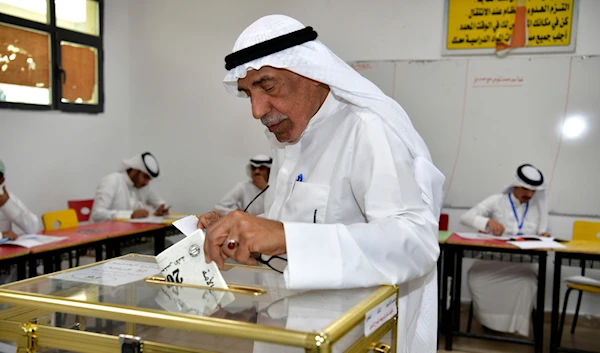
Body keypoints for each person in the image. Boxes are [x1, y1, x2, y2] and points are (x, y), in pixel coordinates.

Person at [197, 15, 445, 352]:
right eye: (247, 94)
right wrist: (240, 235)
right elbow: (291, 241)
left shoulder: (366, 131)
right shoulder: (289, 137)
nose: (257, 110)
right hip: (286, 328)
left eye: (268, 86)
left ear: (313, 73)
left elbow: (416, 242)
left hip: (350, 338)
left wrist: (284, 236)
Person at [460, 163, 549, 336]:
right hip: (491, 259)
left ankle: (514, 328)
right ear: (515, 184)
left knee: (527, 282)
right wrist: (487, 222)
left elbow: (540, 235)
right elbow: (466, 217)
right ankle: (488, 322)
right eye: (525, 189)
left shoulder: (537, 207)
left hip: (523, 262)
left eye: (533, 191)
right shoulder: (497, 200)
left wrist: (543, 235)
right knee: (477, 278)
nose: (529, 194)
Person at [91, 152, 169, 222]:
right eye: (145, 177)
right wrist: (130, 215)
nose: (147, 182)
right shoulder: (112, 180)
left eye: (149, 179)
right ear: (134, 171)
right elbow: (97, 213)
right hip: (105, 234)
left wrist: (161, 209)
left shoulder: (143, 186)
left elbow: (160, 203)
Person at [0, 159, 41, 240]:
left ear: (1, 181)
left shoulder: (5, 197)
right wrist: (1, 235)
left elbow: (33, 228)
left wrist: (7, 206)